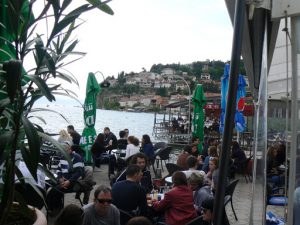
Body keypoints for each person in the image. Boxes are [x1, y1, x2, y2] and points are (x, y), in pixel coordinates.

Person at [46, 142, 84, 213]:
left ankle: (55, 208)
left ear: (70, 149)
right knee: (47, 185)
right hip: (63, 180)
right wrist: (59, 178)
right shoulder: (63, 157)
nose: (63, 152)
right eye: (62, 150)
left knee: (55, 190)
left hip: (73, 182)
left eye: (65, 150)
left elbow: (79, 172)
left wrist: (69, 181)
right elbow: (58, 170)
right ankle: (52, 207)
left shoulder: (76, 157)